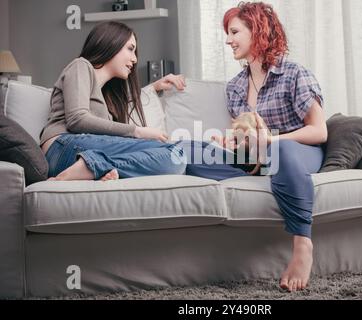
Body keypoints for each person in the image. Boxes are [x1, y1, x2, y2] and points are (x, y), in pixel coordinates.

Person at [188, 2, 327, 292]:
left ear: (258, 31)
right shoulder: (235, 86)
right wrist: (229, 142)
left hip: (295, 153)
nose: (228, 40)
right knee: (193, 150)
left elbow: (319, 131)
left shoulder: (294, 73)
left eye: (235, 31)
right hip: (257, 158)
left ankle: (302, 246)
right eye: (227, 33)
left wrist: (272, 141)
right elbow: (242, 133)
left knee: (281, 152)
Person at [40, 21, 187, 181]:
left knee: (176, 158)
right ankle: (95, 166)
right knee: (175, 154)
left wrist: (155, 87)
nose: (135, 59)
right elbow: (77, 119)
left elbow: (116, 116)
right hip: (62, 147)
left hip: (76, 153)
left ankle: (93, 168)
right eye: (130, 49)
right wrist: (138, 131)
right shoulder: (80, 66)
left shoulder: (105, 97)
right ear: (111, 43)